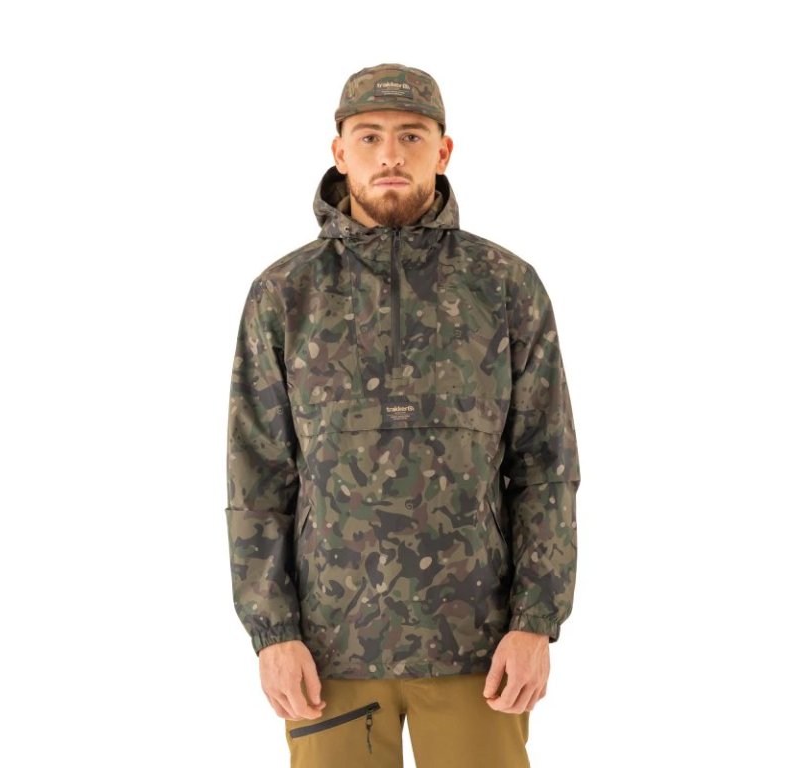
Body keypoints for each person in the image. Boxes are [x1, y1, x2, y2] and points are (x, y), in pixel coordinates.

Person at [225, 63, 580, 767]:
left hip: (480, 649)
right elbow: (257, 477)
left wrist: (536, 622)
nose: (390, 154)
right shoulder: (285, 294)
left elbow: (545, 465)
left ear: (442, 151)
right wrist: (272, 633)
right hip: (329, 653)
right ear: (340, 152)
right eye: (370, 136)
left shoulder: (505, 286)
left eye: (411, 136)